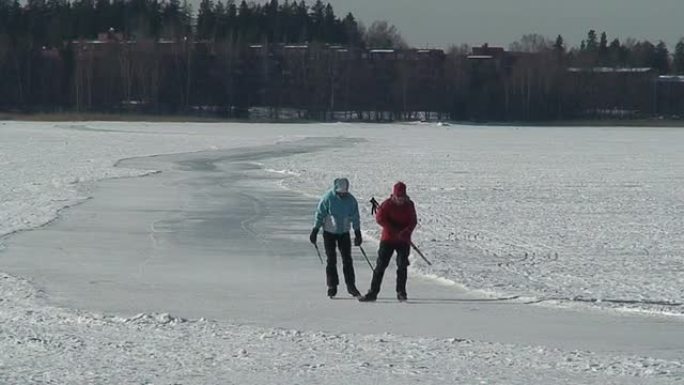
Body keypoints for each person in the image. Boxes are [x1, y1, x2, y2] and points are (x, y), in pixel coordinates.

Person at [359, 182, 417, 302]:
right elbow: (379, 218)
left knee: (402, 266)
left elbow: (413, 221)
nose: (399, 200)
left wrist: (406, 231)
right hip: (388, 239)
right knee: (380, 266)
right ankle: (373, 293)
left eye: (401, 197)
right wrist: (392, 229)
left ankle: (401, 292)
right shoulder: (387, 204)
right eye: (397, 197)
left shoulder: (409, 205)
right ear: (393, 195)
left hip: (403, 240)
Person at [309, 178, 362, 298]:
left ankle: (351, 286)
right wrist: (315, 230)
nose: (343, 194)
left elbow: (355, 217)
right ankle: (332, 286)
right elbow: (320, 214)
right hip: (329, 233)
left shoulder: (351, 200)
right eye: (340, 192)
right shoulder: (328, 198)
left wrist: (358, 233)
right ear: (336, 189)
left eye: (344, 192)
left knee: (347, 260)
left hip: (344, 233)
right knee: (331, 259)